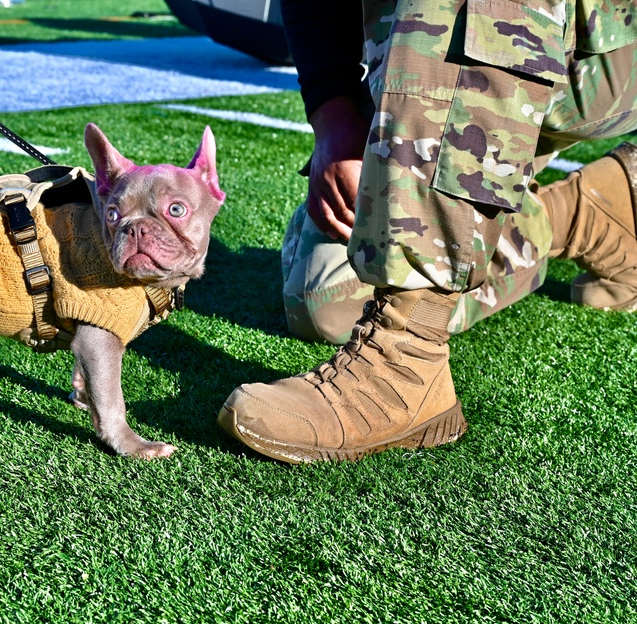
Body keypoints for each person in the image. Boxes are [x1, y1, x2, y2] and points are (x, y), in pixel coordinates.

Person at [217, 0, 637, 463]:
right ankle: (586, 214)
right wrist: (332, 114)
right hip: (439, 60)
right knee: (327, 302)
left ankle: (405, 360)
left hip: (602, 51)